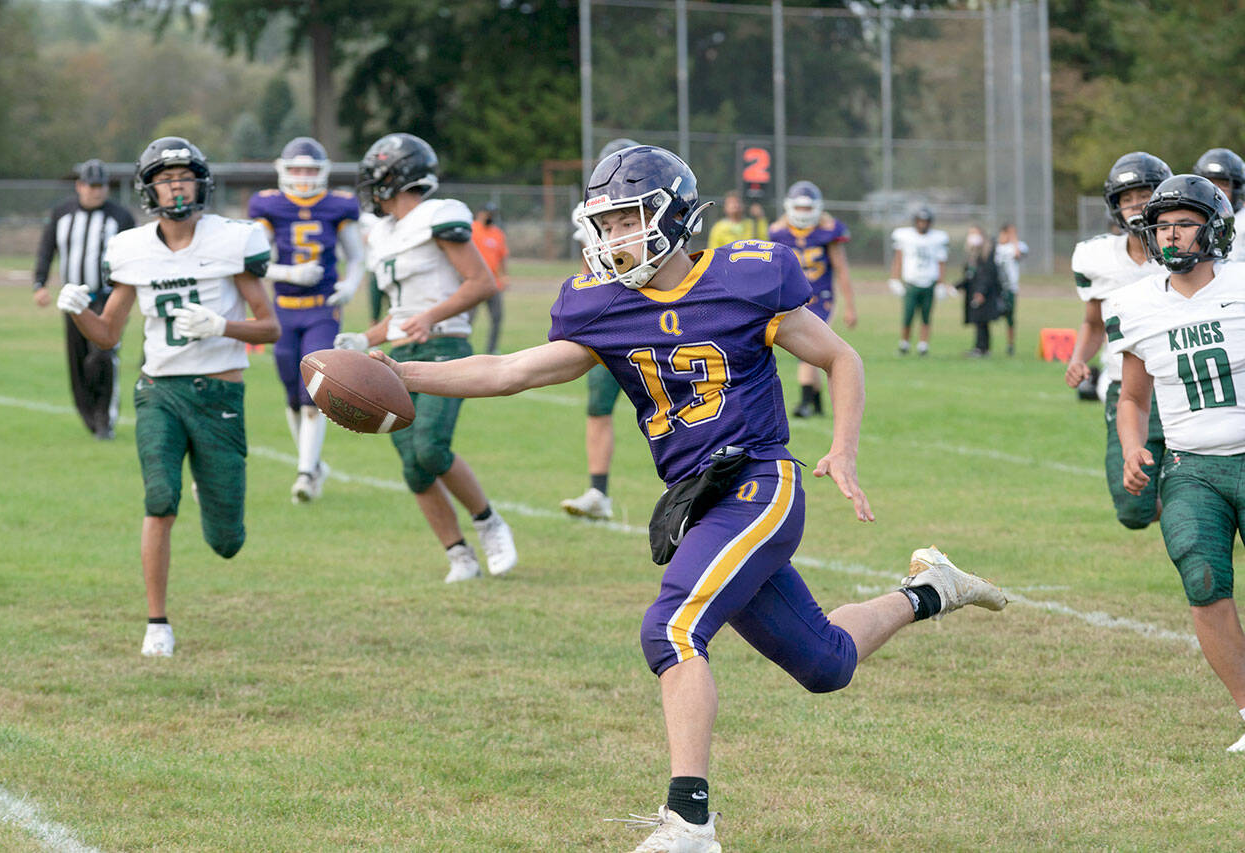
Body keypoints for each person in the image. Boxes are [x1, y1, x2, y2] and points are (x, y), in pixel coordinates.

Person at [368, 145, 1008, 851]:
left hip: (762, 481)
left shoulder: (745, 279)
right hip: (699, 502)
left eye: (626, 222)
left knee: (671, 627)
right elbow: (507, 369)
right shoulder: (602, 305)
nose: (612, 240)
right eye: (604, 226)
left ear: (672, 215)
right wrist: (404, 373)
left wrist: (842, 448)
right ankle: (931, 587)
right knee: (825, 663)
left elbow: (839, 356)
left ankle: (691, 819)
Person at [55, 137, 280, 657]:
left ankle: (209, 490)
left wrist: (221, 325)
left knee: (228, 542)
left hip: (220, 393)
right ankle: (157, 622)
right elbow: (109, 335)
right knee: (159, 501)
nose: (176, 185)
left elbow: (268, 328)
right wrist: (78, 311)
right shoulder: (132, 248)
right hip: (159, 389)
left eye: (184, 176)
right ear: (149, 187)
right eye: (165, 177)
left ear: (200, 183)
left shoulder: (233, 240)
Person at [334, 132, 517, 583]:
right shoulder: (382, 233)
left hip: (444, 344)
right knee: (414, 466)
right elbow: (400, 314)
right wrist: (361, 339)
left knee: (431, 449)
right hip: (397, 352)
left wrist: (431, 316)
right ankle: (458, 554)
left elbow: (481, 283)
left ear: (396, 176)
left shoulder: (439, 216)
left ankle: (488, 522)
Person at [1111, 173, 1245, 753]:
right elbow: (1133, 398)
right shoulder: (1136, 304)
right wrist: (1134, 445)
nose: (1170, 235)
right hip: (1191, 467)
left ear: (1212, 228)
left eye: (1184, 223)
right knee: (1202, 577)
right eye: (1162, 224)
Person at [248, 137, 363, 504]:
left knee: (314, 391)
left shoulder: (338, 206)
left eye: (310, 170)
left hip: (321, 309)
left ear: (324, 172)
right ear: (283, 170)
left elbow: (357, 256)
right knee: (291, 393)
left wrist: (350, 286)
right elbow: (255, 260)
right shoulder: (268, 205)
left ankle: (303, 473)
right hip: (282, 307)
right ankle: (311, 465)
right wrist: (289, 273)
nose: (303, 176)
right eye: (296, 169)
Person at [1065, 151, 1171, 530]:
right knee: (1133, 509)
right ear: (1115, 206)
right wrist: (1079, 358)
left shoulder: (1184, 252)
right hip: (1123, 387)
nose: (1136, 205)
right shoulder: (1097, 258)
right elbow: (1094, 323)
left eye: (1143, 194)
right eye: (1126, 199)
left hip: (1180, 385)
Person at [561, 137, 639, 521]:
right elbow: (588, 266)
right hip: (609, 318)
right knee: (598, 408)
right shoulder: (589, 210)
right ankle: (599, 491)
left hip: (648, 313)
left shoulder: (645, 204)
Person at [33, 158, 136, 439]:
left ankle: (105, 419)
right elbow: (46, 249)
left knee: (102, 355)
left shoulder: (120, 217)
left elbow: (134, 257)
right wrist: (39, 283)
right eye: (91, 186)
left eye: (101, 186)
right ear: (79, 186)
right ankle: (89, 416)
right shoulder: (62, 214)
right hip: (73, 299)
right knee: (78, 361)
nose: (96, 191)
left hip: (107, 296)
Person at [768, 180, 856, 417]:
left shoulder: (828, 230)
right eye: (800, 208)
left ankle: (804, 403)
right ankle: (816, 403)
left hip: (821, 298)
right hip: (793, 298)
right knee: (811, 350)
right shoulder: (778, 231)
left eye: (808, 208)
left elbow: (842, 270)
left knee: (807, 349)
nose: (804, 213)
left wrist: (850, 307)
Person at [890, 205, 948, 356]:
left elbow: (941, 262)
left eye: (925, 221)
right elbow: (898, 259)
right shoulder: (906, 236)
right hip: (912, 282)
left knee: (926, 316)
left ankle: (923, 345)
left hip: (929, 282)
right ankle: (904, 343)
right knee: (908, 315)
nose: (923, 224)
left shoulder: (937, 239)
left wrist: (941, 284)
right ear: (916, 221)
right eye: (920, 221)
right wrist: (894, 279)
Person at [956, 228, 1004, 357]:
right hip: (974, 291)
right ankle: (979, 347)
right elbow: (970, 275)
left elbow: (988, 275)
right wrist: (957, 286)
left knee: (982, 321)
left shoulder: (987, 253)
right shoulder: (973, 254)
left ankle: (983, 348)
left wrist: (981, 292)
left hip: (984, 294)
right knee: (978, 321)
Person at [1193, 147, 1245, 262]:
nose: (1215, 190)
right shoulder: (1189, 218)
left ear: (1235, 188)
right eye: (1208, 183)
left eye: (1223, 184)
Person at [472, 202, 509, 354]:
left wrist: (505, 276)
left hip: (494, 283)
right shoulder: (471, 230)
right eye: (489, 214)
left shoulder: (497, 233)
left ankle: (491, 350)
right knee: (467, 319)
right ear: (480, 213)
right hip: (474, 283)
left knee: (497, 318)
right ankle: (463, 347)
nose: (491, 218)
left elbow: (502, 257)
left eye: (493, 215)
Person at [994, 222, 1029, 356]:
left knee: (1010, 318)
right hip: (997, 288)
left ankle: (1010, 345)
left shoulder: (1015, 246)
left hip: (1010, 288)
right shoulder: (996, 248)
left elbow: (1018, 254)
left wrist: (1013, 238)